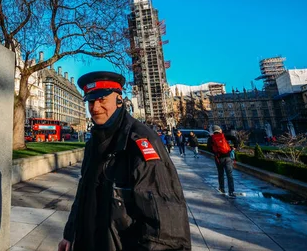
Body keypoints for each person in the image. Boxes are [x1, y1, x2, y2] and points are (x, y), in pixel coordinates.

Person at [58, 71, 190, 251]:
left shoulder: (141, 141)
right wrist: (70, 234)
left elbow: (164, 222)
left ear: (119, 100)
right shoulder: (93, 144)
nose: (95, 108)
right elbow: (84, 191)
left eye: (102, 99)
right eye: (90, 101)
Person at [207, 125, 238, 198]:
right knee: (229, 175)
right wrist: (234, 147)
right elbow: (234, 138)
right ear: (219, 130)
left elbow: (209, 148)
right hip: (227, 157)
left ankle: (222, 189)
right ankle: (231, 192)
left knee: (220, 174)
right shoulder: (224, 135)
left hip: (218, 158)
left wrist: (216, 153)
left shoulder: (211, 138)